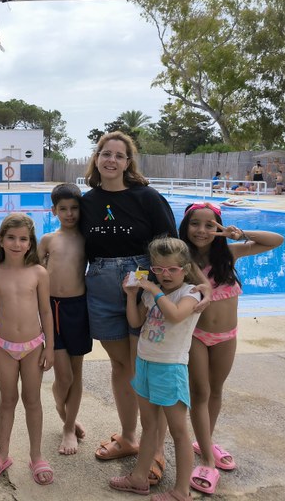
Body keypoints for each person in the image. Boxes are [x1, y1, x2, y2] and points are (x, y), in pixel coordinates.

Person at [80, 131, 183, 485]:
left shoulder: (147, 197)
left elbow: (171, 246)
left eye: (118, 155)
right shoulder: (87, 201)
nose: (110, 160)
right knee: (121, 365)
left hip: (141, 287)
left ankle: (155, 448)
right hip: (100, 287)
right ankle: (128, 436)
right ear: (96, 159)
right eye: (104, 153)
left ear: (128, 162)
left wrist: (166, 291)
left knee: (147, 368)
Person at [179, 202, 283, 495]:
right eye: (195, 224)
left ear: (219, 228)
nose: (201, 230)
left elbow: (277, 241)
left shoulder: (230, 254)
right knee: (200, 392)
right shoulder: (184, 260)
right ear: (185, 227)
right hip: (196, 335)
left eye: (209, 225)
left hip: (227, 335)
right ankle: (208, 462)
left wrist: (238, 234)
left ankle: (204, 440)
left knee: (216, 390)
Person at [110, 237, 202, 501]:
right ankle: (139, 478)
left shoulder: (191, 293)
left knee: (178, 431)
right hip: (145, 363)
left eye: (172, 269)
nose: (165, 274)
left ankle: (181, 491)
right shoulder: (152, 293)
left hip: (170, 368)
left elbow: (174, 315)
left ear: (184, 269)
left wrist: (154, 288)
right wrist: (132, 296)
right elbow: (136, 321)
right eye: (159, 269)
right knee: (148, 425)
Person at [0, 213, 54, 485]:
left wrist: (50, 347)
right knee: (7, 400)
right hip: (4, 346)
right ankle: (3, 453)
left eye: (23, 239)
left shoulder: (38, 273)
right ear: (1, 239)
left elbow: (46, 311)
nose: (17, 244)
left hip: (33, 346)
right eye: (11, 237)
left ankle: (36, 455)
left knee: (32, 400)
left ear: (31, 243)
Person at [37, 183, 92, 455]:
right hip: (52, 309)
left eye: (74, 208)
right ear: (54, 210)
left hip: (78, 308)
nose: (69, 214)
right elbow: (32, 273)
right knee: (64, 375)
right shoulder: (48, 240)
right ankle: (62, 409)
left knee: (76, 372)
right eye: (63, 209)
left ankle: (68, 427)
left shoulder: (87, 238)